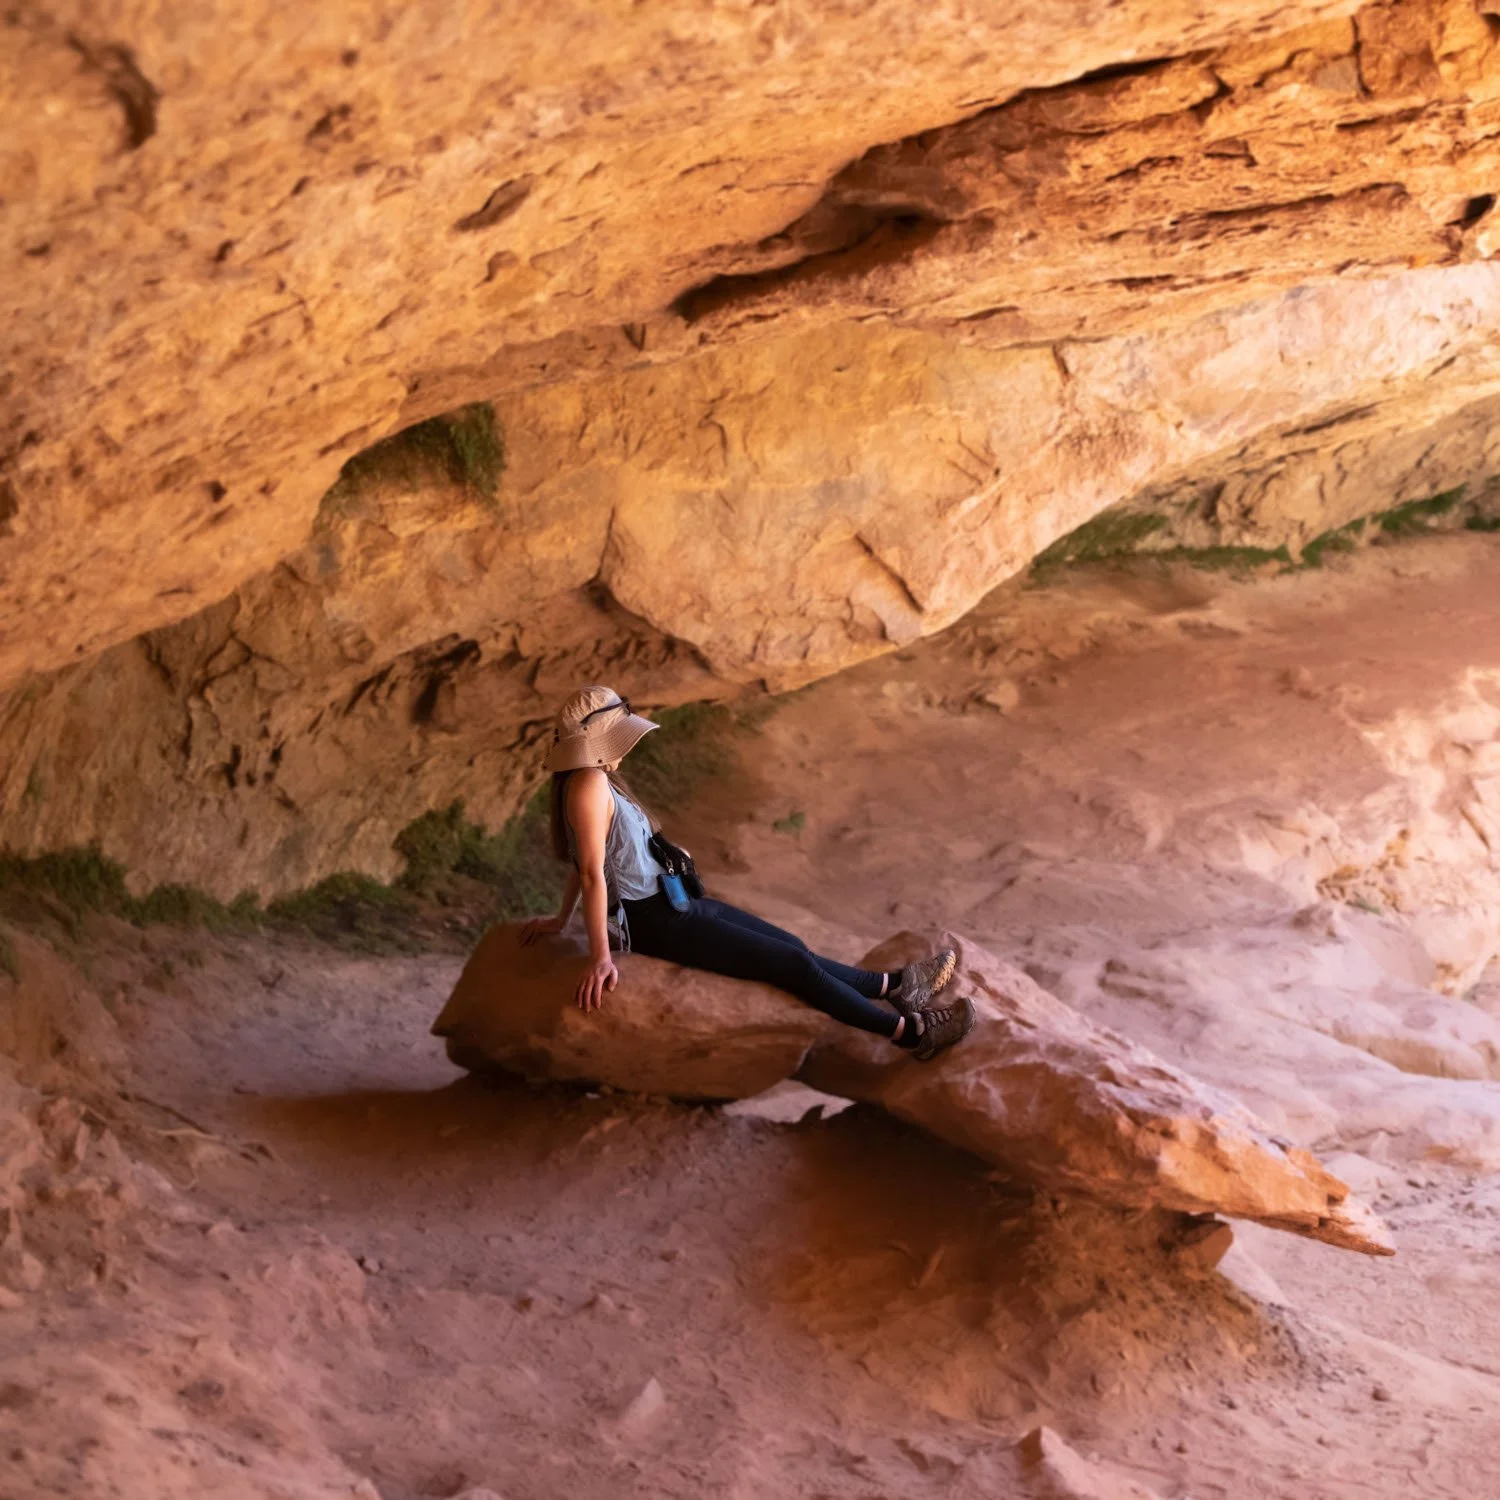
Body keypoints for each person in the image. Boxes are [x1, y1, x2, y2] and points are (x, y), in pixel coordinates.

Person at [519, 685, 976, 1062]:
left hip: (674, 901)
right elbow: (592, 875)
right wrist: (601, 956)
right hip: (654, 920)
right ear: (597, 742)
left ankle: (895, 986)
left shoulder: (598, 777)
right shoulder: (589, 785)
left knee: (791, 947)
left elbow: (585, 863)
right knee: (792, 965)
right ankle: (912, 1035)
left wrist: (561, 921)